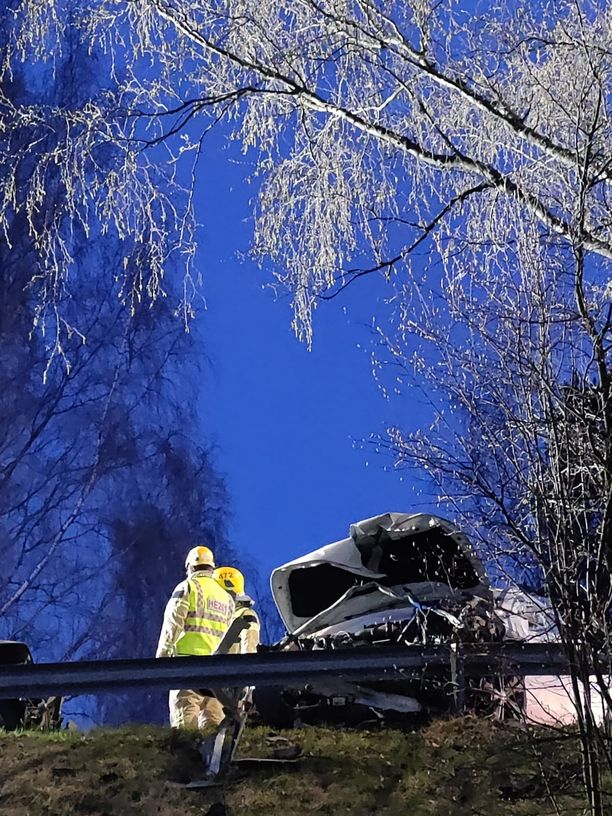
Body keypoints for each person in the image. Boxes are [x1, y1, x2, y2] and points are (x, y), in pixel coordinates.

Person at [156, 545, 234, 729]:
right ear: (212, 568)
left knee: (185, 724)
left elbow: (172, 624)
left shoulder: (187, 588)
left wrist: (162, 659)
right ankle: (212, 758)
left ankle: (185, 757)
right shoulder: (227, 598)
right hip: (218, 671)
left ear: (190, 567)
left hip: (187, 667)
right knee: (213, 727)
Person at [196, 566, 261, 725]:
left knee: (218, 725)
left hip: (230, 685)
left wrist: (249, 689)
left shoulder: (245, 615)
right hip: (218, 679)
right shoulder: (226, 615)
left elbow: (250, 649)